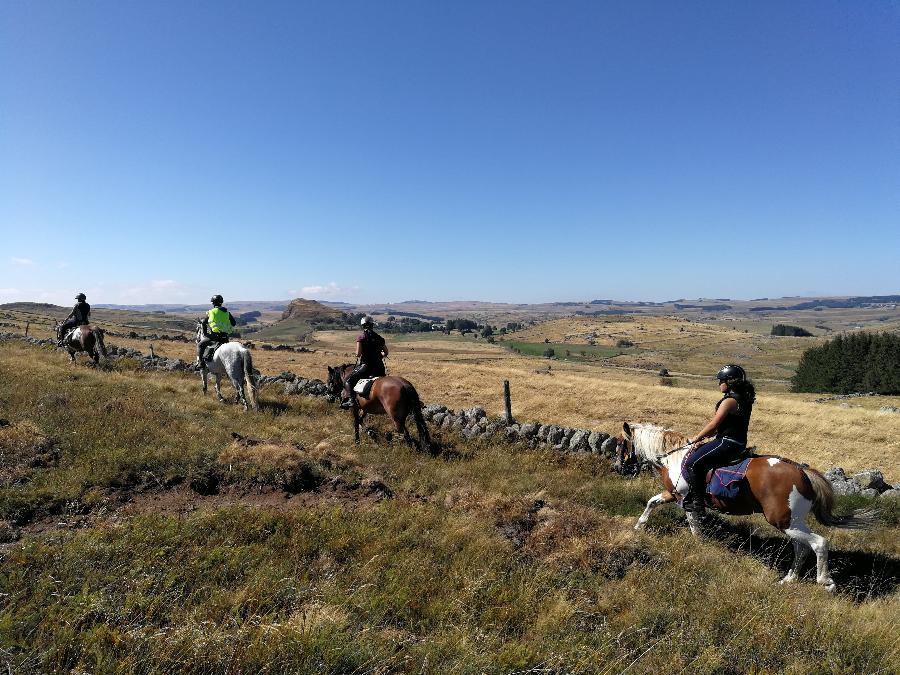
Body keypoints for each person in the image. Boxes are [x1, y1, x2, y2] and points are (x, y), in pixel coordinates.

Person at [682, 364, 756, 521]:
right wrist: (705, 439)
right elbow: (721, 427)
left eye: (721, 380)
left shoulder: (729, 401)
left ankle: (698, 506)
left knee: (691, 463)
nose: (719, 383)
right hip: (738, 442)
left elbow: (713, 425)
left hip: (726, 442)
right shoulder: (744, 399)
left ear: (729, 381)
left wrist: (696, 438)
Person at [340, 316, 388, 408]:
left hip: (366, 367)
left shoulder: (361, 337)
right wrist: (379, 355)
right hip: (379, 368)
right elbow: (386, 352)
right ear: (372, 325)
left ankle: (351, 401)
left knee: (349, 381)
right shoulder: (380, 338)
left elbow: (358, 354)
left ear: (363, 326)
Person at [196, 294, 236, 366]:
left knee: (200, 345)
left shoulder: (212, 312)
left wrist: (205, 334)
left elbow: (204, 322)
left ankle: (200, 363)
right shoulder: (227, 313)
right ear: (221, 302)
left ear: (213, 303)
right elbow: (233, 323)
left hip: (215, 336)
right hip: (225, 338)